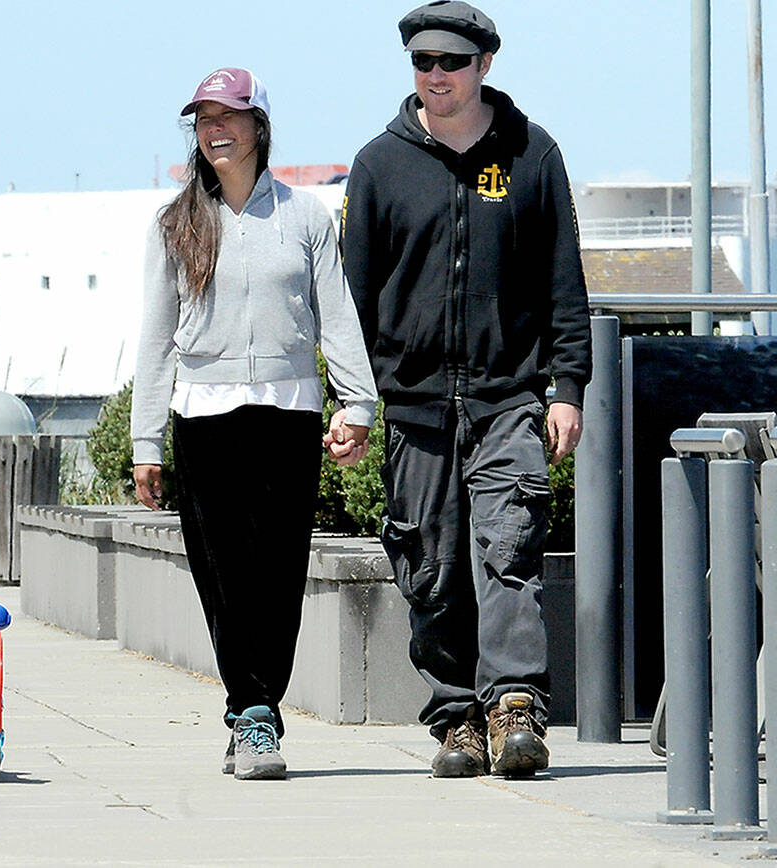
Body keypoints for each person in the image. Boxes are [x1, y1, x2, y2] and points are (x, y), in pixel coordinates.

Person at [332, 1, 591, 778]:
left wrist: (567, 386)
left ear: (484, 65)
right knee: (431, 567)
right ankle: (457, 718)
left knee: (508, 550)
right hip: (413, 406)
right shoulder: (380, 163)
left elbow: (564, 287)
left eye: (451, 62)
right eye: (423, 63)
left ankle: (515, 705)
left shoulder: (533, 155)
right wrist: (353, 401)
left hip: (508, 396)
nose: (436, 76)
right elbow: (352, 297)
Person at [130, 67, 378, 780]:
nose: (216, 130)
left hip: (288, 413)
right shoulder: (176, 223)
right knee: (224, 576)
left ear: (258, 127)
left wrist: (356, 404)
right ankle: (253, 712)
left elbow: (337, 313)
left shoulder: (304, 218)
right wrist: (147, 441)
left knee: (277, 573)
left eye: (229, 117)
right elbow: (154, 338)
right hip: (203, 417)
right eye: (204, 119)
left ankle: (258, 708)